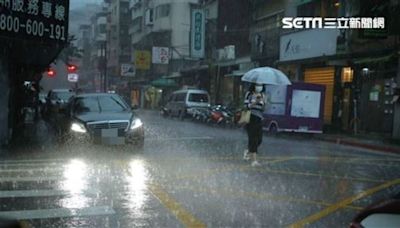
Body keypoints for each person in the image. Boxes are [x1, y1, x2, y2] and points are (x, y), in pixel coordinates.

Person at [243, 83, 266, 167]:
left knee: (259, 139)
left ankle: (248, 151)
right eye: (257, 85)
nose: (259, 87)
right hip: (251, 118)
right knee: (253, 139)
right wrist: (255, 102)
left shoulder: (263, 95)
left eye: (261, 85)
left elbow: (263, 109)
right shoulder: (249, 94)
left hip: (259, 119)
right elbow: (246, 106)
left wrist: (263, 103)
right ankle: (254, 160)